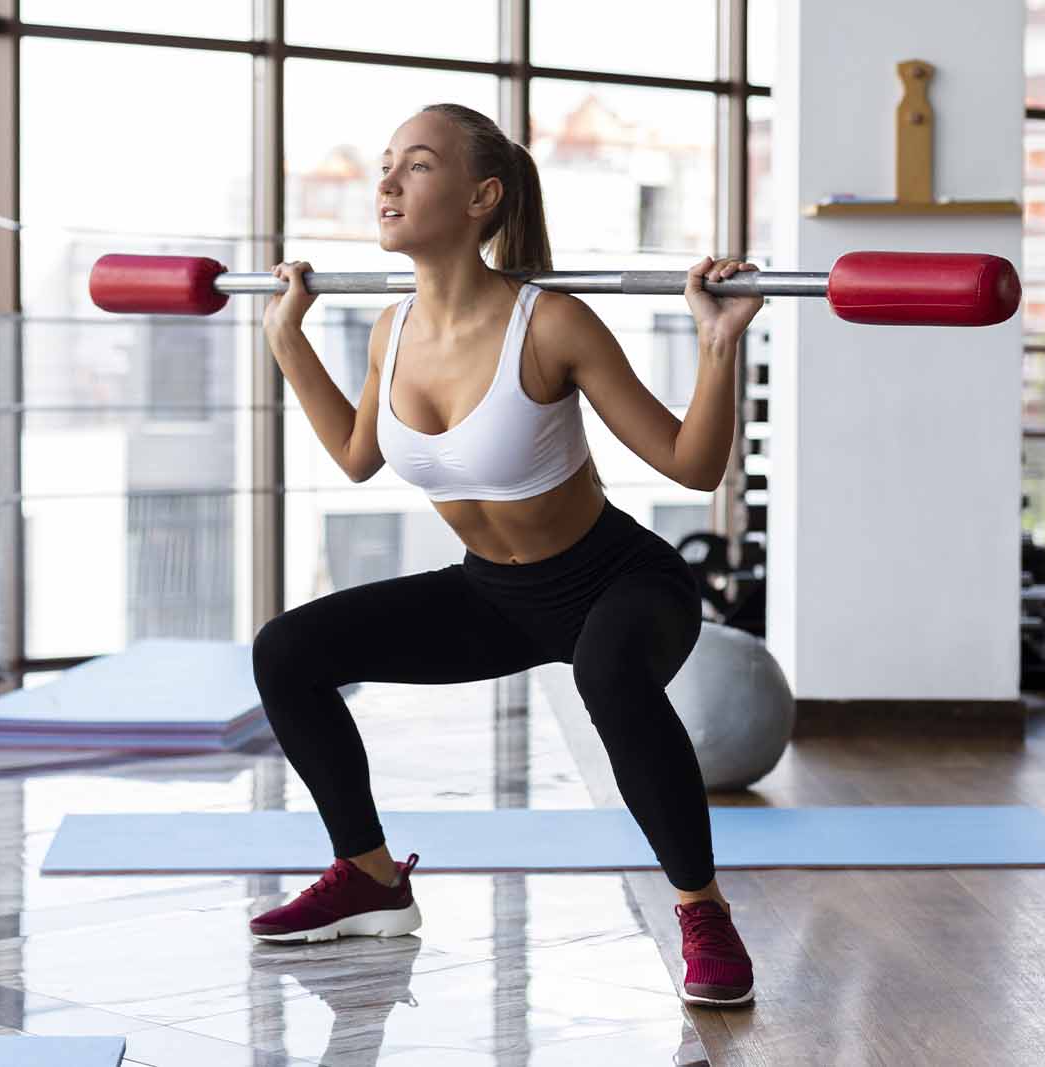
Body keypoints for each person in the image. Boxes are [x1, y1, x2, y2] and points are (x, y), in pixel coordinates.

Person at [249, 102, 761, 1008]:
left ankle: (703, 909)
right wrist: (288, 339)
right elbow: (357, 457)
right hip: (493, 596)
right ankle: (369, 876)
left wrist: (718, 343)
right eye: (385, 165)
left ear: (484, 196)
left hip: (623, 582)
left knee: (607, 671)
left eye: (416, 165)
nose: (388, 182)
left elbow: (693, 462)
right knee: (287, 650)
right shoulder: (390, 330)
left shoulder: (552, 322)